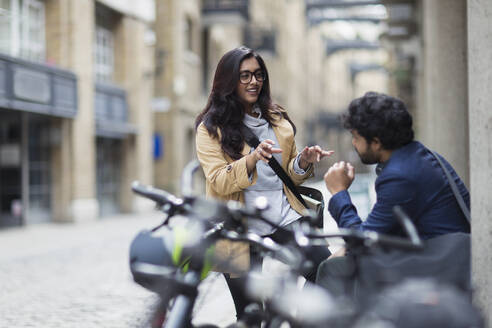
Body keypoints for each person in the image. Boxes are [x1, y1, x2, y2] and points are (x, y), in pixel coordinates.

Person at [195, 46, 333, 321]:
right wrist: (251, 159)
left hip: (282, 219)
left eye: (258, 75)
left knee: (327, 271)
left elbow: (289, 176)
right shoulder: (210, 129)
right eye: (244, 76)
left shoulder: (278, 120)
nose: (253, 82)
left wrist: (303, 161)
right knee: (250, 316)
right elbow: (218, 182)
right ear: (229, 80)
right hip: (237, 228)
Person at [316, 91, 470, 297]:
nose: (353, 143)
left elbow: (364, 245)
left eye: (356, 137)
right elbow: (379, 234)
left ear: (376, 142)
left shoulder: (400, 175)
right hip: (433, 255)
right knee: (334, 261)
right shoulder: (416, 156)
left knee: (331, 270)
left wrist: (338, 193)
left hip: (440, 268)